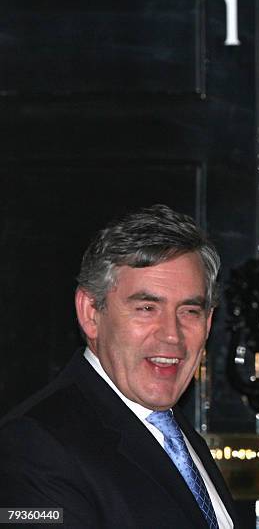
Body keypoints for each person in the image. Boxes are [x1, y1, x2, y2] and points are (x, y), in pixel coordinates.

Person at [0, 205, 238, 528]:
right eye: (146, 307)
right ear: (91, 313)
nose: (172, 335)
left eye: (189, 311)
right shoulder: (35, 448)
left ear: (209, 323)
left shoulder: (176, 437)